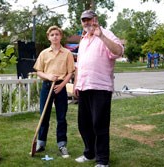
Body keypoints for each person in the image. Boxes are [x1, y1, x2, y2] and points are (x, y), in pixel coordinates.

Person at [73, 10, 124, 167]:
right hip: (84, 86)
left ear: (95, 19)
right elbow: (79, 65)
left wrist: (101, 36)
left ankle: (102, 160)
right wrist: (76, 83)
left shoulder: (106, 34)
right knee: (84, 124)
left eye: (89, 19)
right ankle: (90, 153)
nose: (86, 22)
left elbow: (119, 51)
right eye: (84, 20)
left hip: (101, 87)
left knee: (99, 124)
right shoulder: (83, 40)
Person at [33, 25, 75, 158]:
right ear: (48, 37)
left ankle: (62, 144)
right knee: (44, 115)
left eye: (57, 34)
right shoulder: (44, 53)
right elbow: (39, 71)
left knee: (61, 117)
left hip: (60, 87)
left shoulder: (67, 53)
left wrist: (62, 84)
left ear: (61, 36)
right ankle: (41, 143)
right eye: (52, 35)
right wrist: (48, 77)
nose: (55, 37)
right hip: (47, 86)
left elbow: (70, 72)